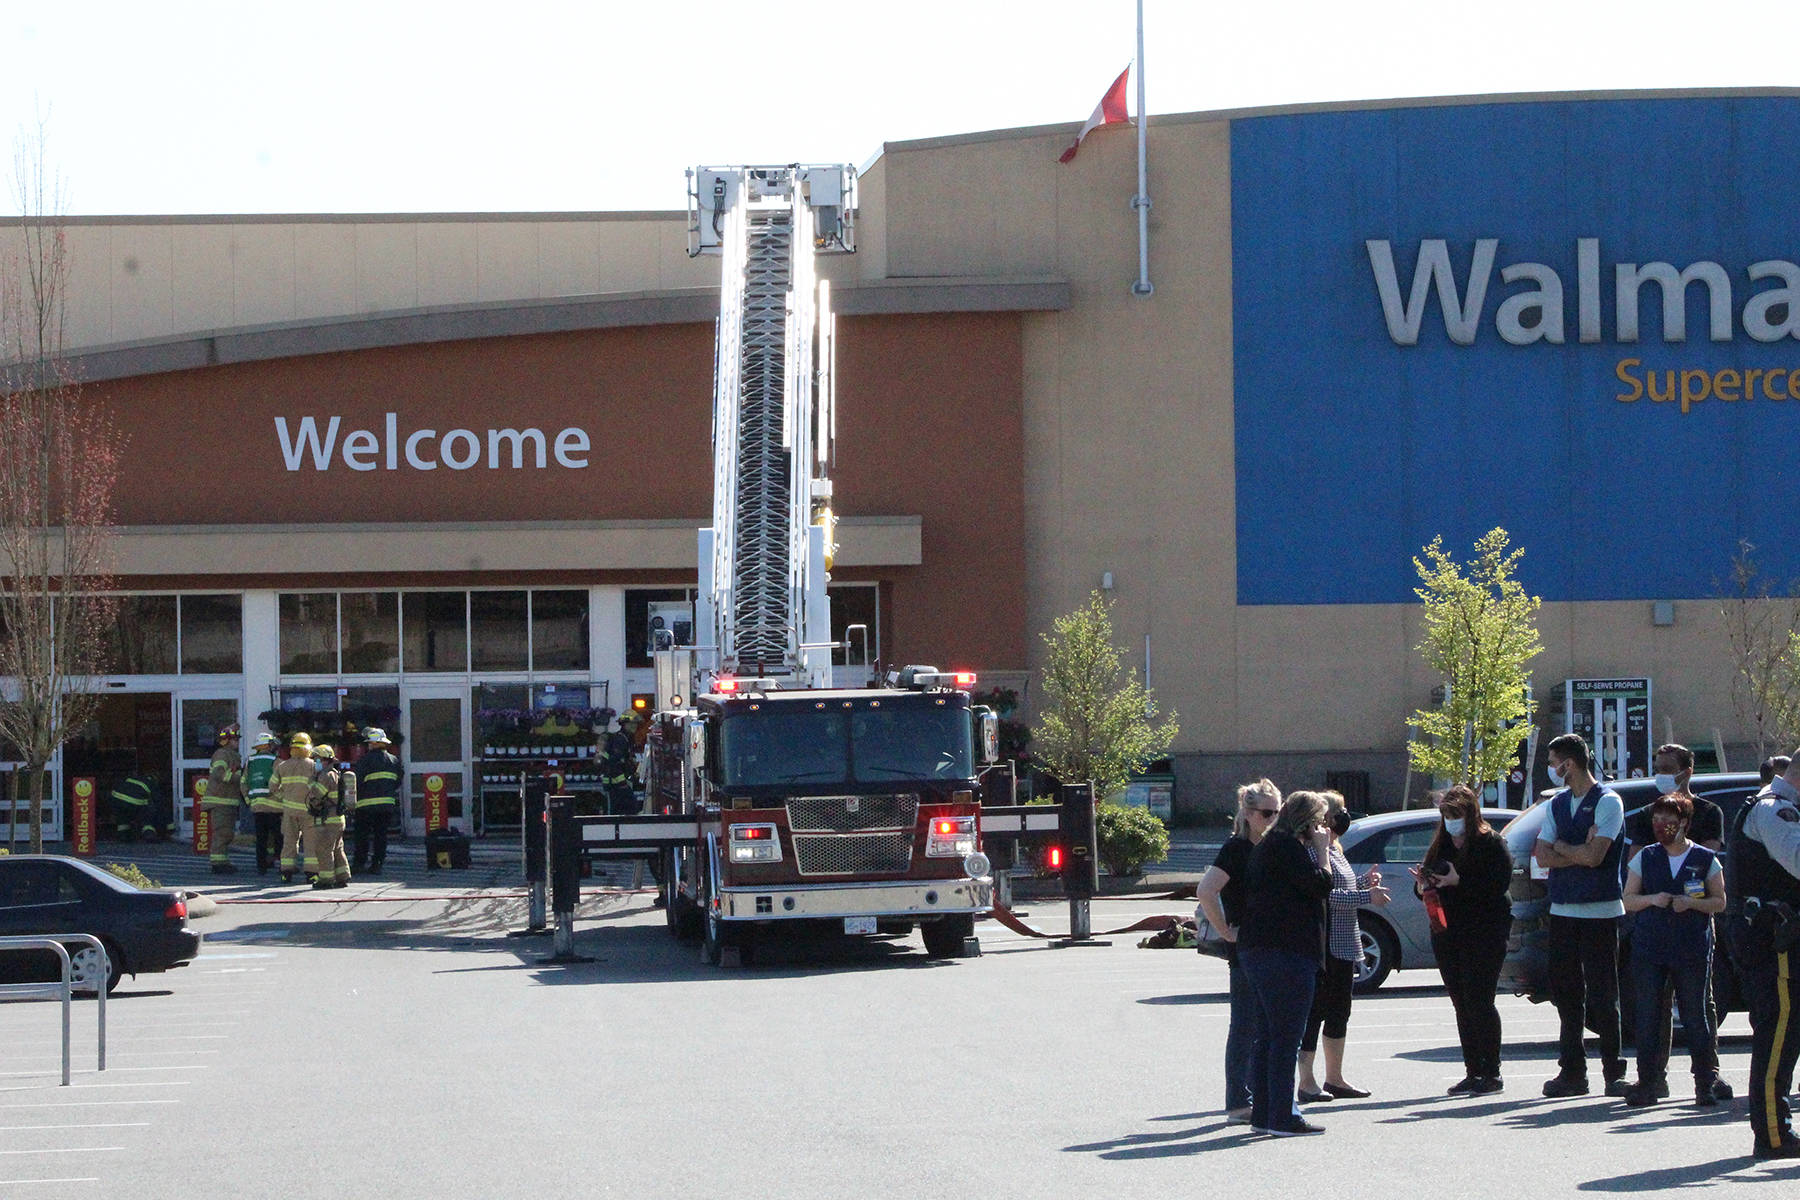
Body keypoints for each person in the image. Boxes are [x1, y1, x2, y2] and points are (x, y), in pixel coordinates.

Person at [1534, 732, 1629, 1097]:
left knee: (1604, 995)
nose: (1553, 769)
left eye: (1554, 762)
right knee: (1567, 994)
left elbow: (1596, 857)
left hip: (1601, 912)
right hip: (1563, 910)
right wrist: (1573, 848)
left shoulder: (1608, 803)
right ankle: (1572, 1072)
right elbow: (1543, 855)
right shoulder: (1557, 804)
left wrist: (1567, 850)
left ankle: (1613, 1071)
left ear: (1568, 764)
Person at [1237, 790, 1334, 1137]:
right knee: (1285, 1037)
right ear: (1306, 822)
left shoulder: (1267, 846)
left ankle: (1263, 1113)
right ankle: (1281, 1116)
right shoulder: (1290, 849)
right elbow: (1321, 884)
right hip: (1286, 954)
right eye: (1319, 821)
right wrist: (1323, 852)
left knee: (1267, 1035)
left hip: (1258, 949)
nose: (1322, 828)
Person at [1620, 793, 1726, 1107]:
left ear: (1684, 823)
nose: (1661, 825)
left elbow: (1719, 902)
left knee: (1695, 1016)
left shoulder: (1705, 858)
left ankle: (1705, 1082)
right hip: (1650, 948)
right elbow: (1628, 900)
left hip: (1691, 948)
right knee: (1649, 1015)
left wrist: (1691, 903)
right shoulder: (1646, 857)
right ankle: (1649, 1082)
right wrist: (1652, 899)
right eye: (1656, 819)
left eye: (1668, 819)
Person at [1724, 750, 1800, 1158]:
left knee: (1784, 1035)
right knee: (1778, 1036)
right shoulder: (1775, 811)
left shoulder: (1776, 806)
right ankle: (1772, 1133)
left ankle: (1774, 1129)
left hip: (1775, 938)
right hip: (1774, 941)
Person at [1414, 784, 1512, 1095]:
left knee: (1480, 999)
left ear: (1470, 813)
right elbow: (1431, 885)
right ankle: (1473, 1070)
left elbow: (1498, 887)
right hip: (1447, 932)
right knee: (1460, 1002)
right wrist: (1423, 885)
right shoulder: (1442, 844)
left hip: (1485, 932)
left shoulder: (1491, 843)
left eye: (1455, 815)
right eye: (1445, 815)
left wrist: (1460, 881)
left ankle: (1491, 1072)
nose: (1450, 820)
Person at [1195, 778, 1282, 1124]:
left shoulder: (1275, 846)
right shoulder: (1236, 849)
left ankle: (1260, 1094)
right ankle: (1237, 1101)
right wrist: (1225, 931)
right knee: (1244, 1024)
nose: (1272, 819)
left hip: (1274, 944)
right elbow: (1206, 890)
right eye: (1266, 813)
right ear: (1247, 814)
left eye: (1278, 812)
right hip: (1246, 946)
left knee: (1269, 1025)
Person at [1296, 793, 1389, 1103]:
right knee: (1316, 1011)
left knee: (1340, 1011)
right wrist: (1367, 898)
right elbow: (1325, 895)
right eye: (1340, 811)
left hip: (1346, 942)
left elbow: (1343, 885)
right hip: (1326, 944)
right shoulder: (1312, 851)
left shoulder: (1335, 848)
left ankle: (1335, 1078)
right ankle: (1306, 1081)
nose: (1345, 816)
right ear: (1324, 817)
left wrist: (1364, 882)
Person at [351, 728, 402, 875]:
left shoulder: (364, 760)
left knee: (362, 835)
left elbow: (356, 782)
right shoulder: (394, 760)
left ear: (372, 744)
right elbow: (397, 781)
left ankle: (359, 863)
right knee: (381, 836)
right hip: (386, 806)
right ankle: (377, 864)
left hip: (365, 806)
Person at [270, 732, 319, 883]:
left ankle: (286, 872)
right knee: (311, 843)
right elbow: (318, 788)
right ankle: (312, 874)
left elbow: (272, 786)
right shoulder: (313, 766)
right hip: (308, 811)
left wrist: (284, 798)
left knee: (289, 842)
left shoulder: (282, 766)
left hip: (289, 811)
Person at [306, 745, 354, 889]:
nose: (315, 763)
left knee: (323, 849)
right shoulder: (335, 773)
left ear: (325, 760)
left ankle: (326, 880)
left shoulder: (326, 775)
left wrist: (311, 782)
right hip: (338, 819)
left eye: (317, 759)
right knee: (338, 849)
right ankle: (342, 877)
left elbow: (317, 795)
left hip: (329, 820)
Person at [202, 724, 244, 874]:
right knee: (222, 832)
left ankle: (223, 860)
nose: (237, 742)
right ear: (226, 741)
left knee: (227, 833)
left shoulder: (232, 755)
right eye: (234, 739)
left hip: (228, 801)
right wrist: (241, 778)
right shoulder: (221, 754)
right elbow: (219, 774)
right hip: (219, 801)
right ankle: (218, 864)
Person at [245, 732, 282, 874]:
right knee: (279, 836)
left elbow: (244, 783)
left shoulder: (250, 761)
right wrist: (282, 799)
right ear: (267, 745)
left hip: (257, 807)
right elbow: (280, 782)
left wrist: (249, 801)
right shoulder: (275, 760)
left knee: (261, 838)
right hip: (275, 807)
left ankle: (261, 866)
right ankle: (280, 862)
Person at [110, 773, 154, 841]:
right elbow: (158, 802)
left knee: (122, 818)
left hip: (116, 798)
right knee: (146, 818)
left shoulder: (132, 778)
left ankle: (123, 836)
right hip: (135, 802)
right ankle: (149, 834)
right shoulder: (151, 784)